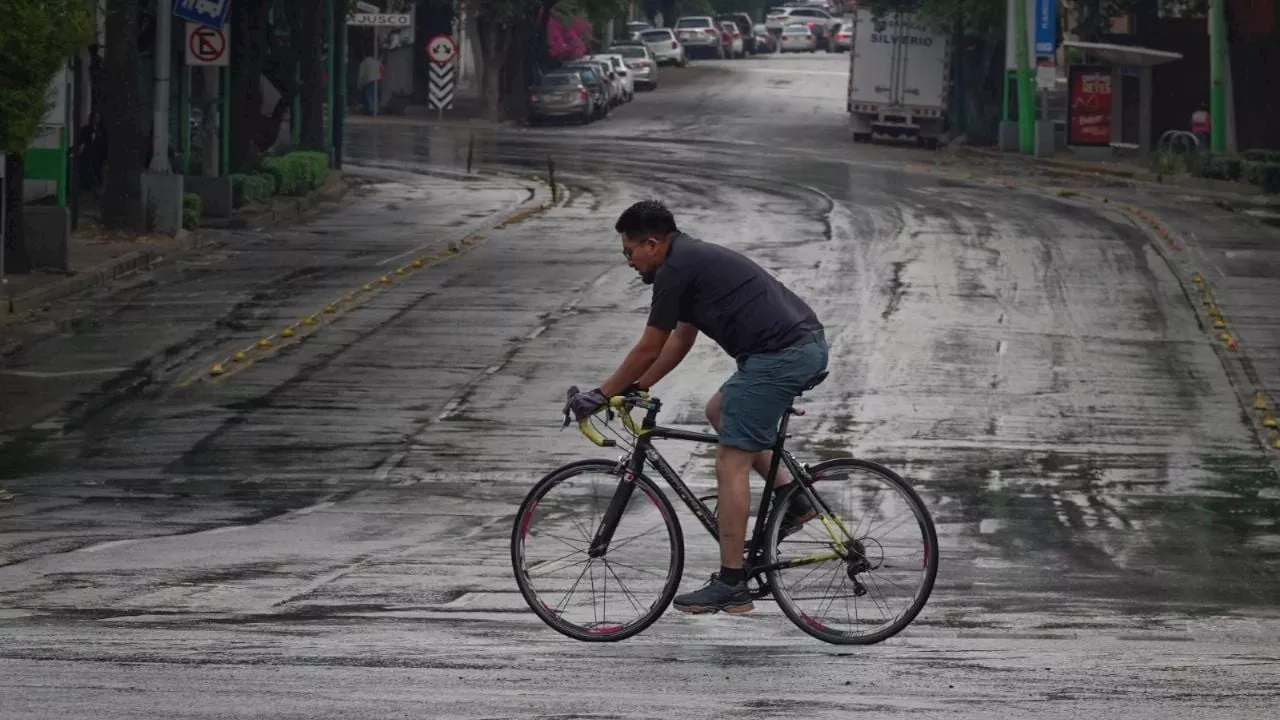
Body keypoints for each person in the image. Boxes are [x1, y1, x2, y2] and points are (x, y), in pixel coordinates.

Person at [566, 200, 829, 615]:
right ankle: (795, 500)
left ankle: (732, 582)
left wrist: (600, 394)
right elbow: (679, 341)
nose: (629, 262)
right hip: (790, 351)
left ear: (652, 243)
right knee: (720, 413)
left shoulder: (676, 269)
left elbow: (650, 343)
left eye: (629, 252)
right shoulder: (687, 261)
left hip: (782, 356)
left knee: (730, 460)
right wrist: (638, 387)